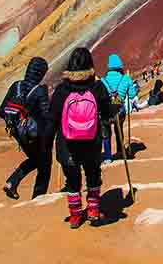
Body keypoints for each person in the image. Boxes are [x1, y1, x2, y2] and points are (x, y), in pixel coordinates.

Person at [47, 47, 115, 229]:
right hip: (91, 142)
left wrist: (48, 142)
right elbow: (108, 112)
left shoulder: (62, 90)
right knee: (93, 175)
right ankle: (93, 210)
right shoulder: (97, 87)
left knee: (72, 179)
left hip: (67, 143)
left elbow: (52, 118)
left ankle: (75, 216)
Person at [0, 56, 52, 200]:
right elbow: (46, 116)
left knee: (35, 160)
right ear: (40, 74)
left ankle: (12, 182)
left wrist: (17, 124)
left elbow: (1, 111)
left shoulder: (16, 86)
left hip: (17, 133)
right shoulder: (40, 90)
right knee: (44, 163)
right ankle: (38, 198)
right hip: (34, 135)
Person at [100, 53, 139, 161]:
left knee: (106, 133)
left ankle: (108, 157)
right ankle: (120, 151)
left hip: (106, 112)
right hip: (119, 111)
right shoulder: (125, 78)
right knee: (119, 129)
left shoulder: (102, 81)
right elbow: (132, 95)